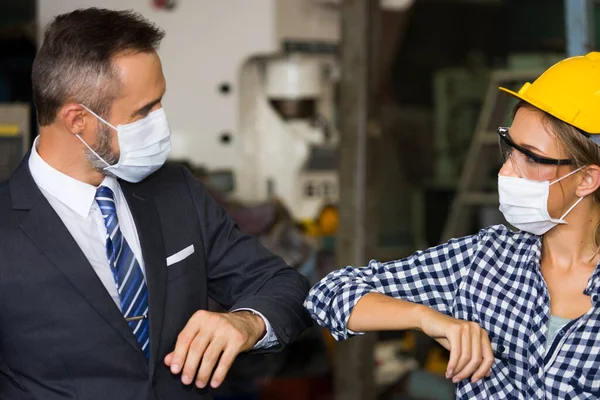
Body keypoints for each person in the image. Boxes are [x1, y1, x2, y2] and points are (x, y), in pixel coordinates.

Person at [0, 8, 312, 400]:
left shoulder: (175, 192)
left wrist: (246, 323)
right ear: (77, 119)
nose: (160, 121)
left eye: (159, 102)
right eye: (143, 111)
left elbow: (285, 285)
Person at [305, 52, 600, 399]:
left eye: (532, 158)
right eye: (510, 149)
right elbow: (329, 294)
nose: (506, 172)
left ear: (587, 179)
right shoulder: (484, 261)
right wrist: (426, 318)